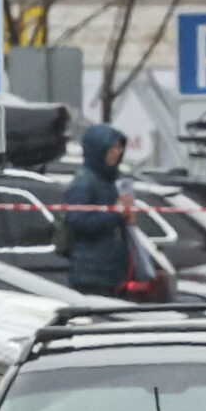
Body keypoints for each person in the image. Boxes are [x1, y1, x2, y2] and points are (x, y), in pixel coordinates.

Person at [61, 123, 132, 297]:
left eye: (119, 147)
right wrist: (116, 214)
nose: (117, 152)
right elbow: (78, 221)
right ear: (98, 149)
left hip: (111, 271)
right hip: (90, 274)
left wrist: (125, 216)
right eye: (112, 148)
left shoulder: (110, 180)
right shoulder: (84, 182)